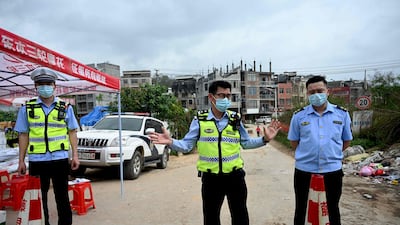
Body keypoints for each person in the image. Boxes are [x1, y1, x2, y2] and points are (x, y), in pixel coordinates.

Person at [149, 80, 281, 225]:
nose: (225, 99)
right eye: (221, 95)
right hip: (211, 179)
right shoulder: (200, 119)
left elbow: (246, 143)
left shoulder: (235, 119)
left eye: (228, 96)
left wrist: (265, 139)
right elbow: (187, 145)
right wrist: (171, 142)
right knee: (211, 218)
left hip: (235, 177)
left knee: (240, 216)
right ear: (211, 97)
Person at [15, 67, 80, 225]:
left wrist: (75, 155)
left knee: (62, 197)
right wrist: (21, 160)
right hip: (37, 160)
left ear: (54, 86)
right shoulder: (27, 108)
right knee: (38, 197)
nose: (45, 87)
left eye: (48, 84)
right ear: (35, 87)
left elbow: (72, 132)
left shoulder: (65, 108)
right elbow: (23, 135)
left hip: (59, 158)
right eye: (41, 84)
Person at [287, 75, 353, 225]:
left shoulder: (342, 114)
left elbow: (346, 141)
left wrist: (331, 155)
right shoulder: (298, 116)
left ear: (327, 91)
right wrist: (309, 154)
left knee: (332, 209)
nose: (316, 95)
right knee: (302, 209)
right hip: (304, 172)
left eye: (320, 90)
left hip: (332, 172)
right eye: (312, 92)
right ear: (307, 94)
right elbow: (294, 141)